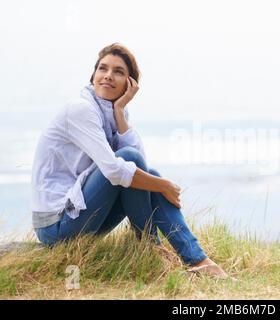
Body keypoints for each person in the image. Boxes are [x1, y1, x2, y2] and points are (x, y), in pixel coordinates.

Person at [31, 43, 228, 278]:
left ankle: (192, 259)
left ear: (130, 84)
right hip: (56, 226)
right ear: (93, 75)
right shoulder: (80, 110)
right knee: (135, 167)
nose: (108, 76)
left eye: (118, 72)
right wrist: (164, 185)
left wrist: (120, 110)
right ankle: (159, 249)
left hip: (81, 217)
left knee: (144, 171)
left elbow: (139, 164)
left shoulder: (111, 113)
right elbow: (117, 170)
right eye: (102, 68)